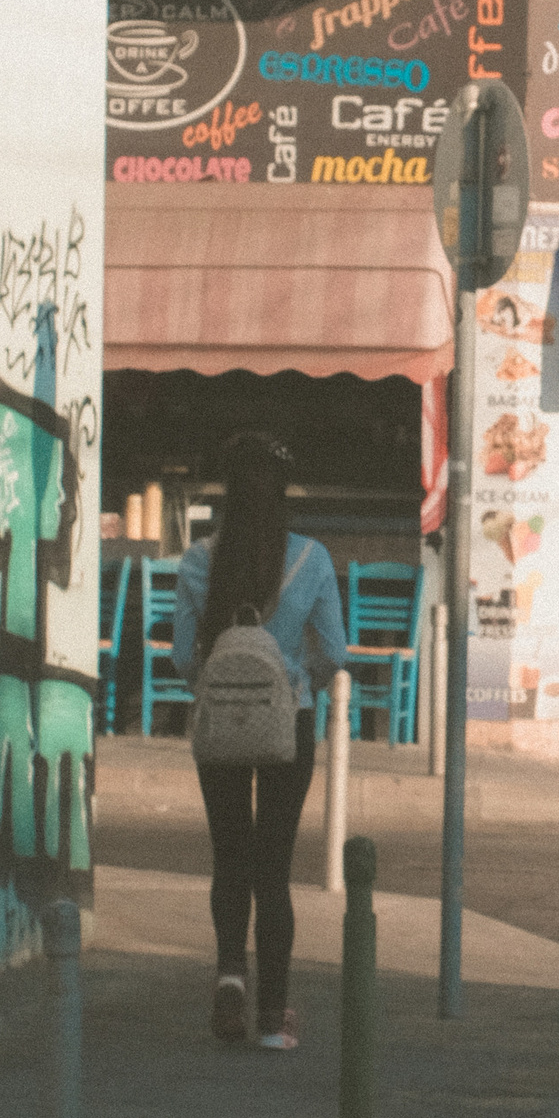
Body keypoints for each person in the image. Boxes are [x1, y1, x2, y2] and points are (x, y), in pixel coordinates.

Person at [173, 436, 352, 1049]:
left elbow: (182, 657)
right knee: (273, 869)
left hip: (221, 723)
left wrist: (218, 687)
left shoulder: (199, 561)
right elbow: (335, 651)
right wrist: (298, 683)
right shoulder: (312, 558)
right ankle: (274, 1018)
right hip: (288, 723)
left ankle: (230, 983)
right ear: (281, 495)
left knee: (230, 856)